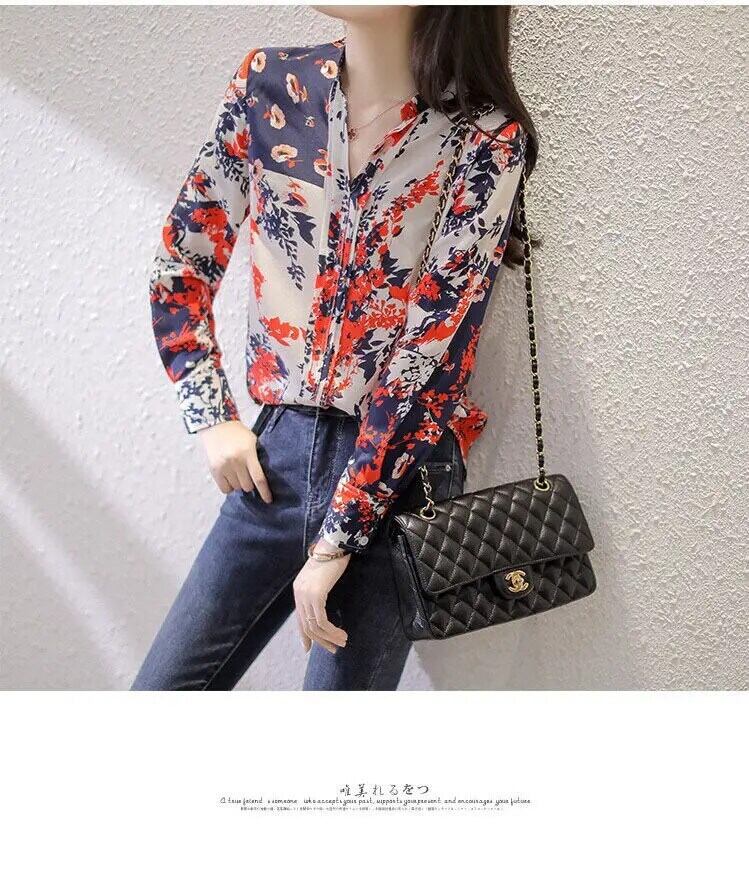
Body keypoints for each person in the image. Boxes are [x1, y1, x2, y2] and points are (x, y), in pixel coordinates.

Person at [131, 5, 538, 690]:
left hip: (399, 477)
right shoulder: (271, 88)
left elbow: (429, 360)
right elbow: (182, 264)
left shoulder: (485, 141)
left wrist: (338, 539)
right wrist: (210, 414)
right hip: (277, 459)